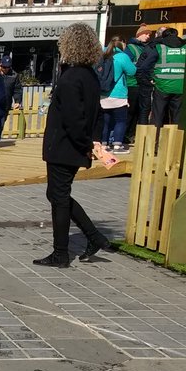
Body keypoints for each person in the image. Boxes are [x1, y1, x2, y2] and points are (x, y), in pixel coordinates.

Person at [33, 23, 109, 268]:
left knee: (59, 196)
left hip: (65, 146)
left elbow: (74, 119)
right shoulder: (89, 76)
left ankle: (62, 252)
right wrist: (93, 142)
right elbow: (97, 114)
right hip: (74, 145)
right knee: (56, 194)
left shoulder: (70, 79)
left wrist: (86, 144)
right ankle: (93, 237)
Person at [99, 37, 136, 153]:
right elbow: (132, 71)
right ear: (122, 45)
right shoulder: (122, 57)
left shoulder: (102, 55)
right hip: (118, 94)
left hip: (103, 93)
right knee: (120, 120)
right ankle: (117, 145)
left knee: (105, 121)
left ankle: (103, 144)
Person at [150, 27, 186, 127]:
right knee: (177, 117)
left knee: (158, 115)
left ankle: (156, 139)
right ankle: (175, 140)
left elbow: (146, 65)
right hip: (180, 85)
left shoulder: (159, 47)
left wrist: (151, 77)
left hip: (162, 86)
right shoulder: (185, 47)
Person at [124, 25, 155, 127]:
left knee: (138, 111)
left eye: (149, 34)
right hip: (132, 82)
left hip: (141, 82)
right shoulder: (130, 48)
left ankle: (132, 133)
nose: (148, 36)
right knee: (131, 111)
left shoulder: (146, 47)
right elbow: (127, 64)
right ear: (139, 34)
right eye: (146, 34)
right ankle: (126, 134)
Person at [0, 56, 21, 141]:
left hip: (5, 105)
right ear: (1, 65)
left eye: (8, 67)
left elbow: (17, 89)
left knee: (1, 126)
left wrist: (17, 101)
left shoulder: (14, 75)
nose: (5, 69)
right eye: (4, 67)